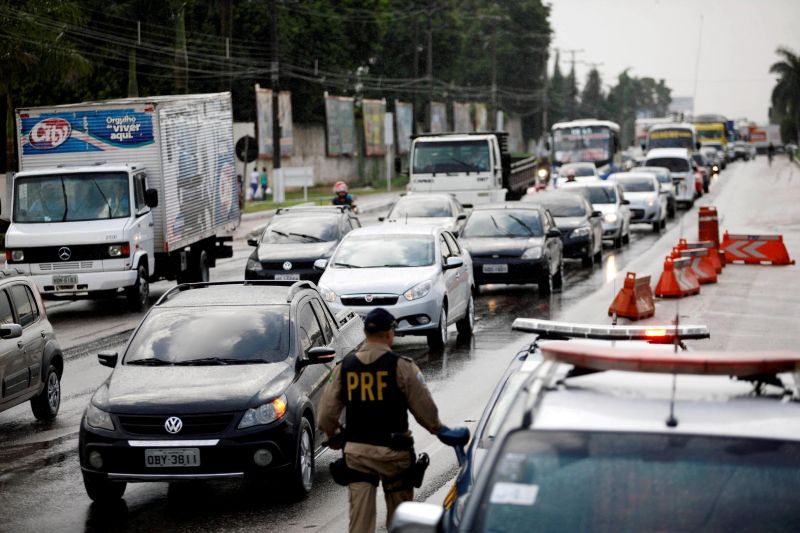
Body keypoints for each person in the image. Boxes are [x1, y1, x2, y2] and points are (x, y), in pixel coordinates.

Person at [318, 308, 463, 532]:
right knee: (401, 521)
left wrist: (334, 436)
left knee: (360, 523)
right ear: (389, 333)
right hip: (394, 455)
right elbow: (424, 408)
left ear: (365, 333)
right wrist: (439, 430)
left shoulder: (343, 368)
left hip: (358, 455)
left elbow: (326, 414)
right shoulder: (402, 366)